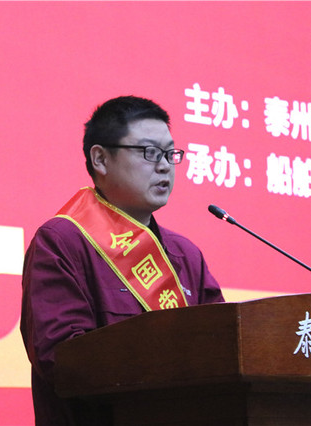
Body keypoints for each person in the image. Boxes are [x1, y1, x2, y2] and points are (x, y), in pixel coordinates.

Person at [20, 96, 224, 425]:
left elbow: (222, 345)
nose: (164, 166)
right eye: (149, 152)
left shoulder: (185, 254)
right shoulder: (62, 242)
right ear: (100, 159)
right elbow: (61, 359)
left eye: (170, 154)